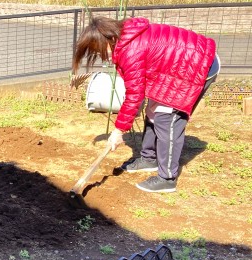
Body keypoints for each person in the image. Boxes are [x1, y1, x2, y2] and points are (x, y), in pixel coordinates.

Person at [73, 16, 220, 193]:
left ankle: (167, 178)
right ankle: (149, 158)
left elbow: (134, 94)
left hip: (197, 65)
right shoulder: (124, 38)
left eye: (99, 50)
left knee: (167, 119)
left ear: (109, 39)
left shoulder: (130, 50)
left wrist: (118, 131)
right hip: (174, 67)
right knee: (153, 111)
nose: (101, 56)